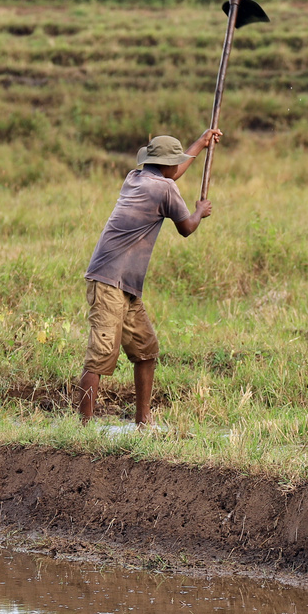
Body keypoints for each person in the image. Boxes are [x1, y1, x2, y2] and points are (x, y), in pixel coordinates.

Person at [78, 130, 220, 427]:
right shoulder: (165, 188)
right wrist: (199, 211)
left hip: (125, 284)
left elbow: (172, 173)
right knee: (101, 356)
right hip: (108, 282)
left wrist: (201, 143)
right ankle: (84, 428)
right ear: (168, 165)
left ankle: (144, 421)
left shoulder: (136, 177)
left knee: (146, 350)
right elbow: (186, 228)